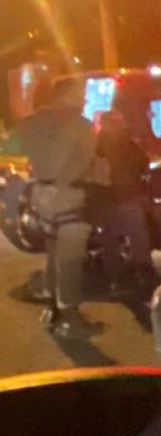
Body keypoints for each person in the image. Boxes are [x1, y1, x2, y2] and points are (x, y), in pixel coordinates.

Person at [16, 79, 104, 338]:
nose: (84, 100)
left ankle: (52, 309)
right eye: (81, 95)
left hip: (40, 195)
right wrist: (65, 184)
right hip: (68, 196)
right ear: (67, 95)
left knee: (53, 254)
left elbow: (12, 151)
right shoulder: (82, 126)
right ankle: (70, 319)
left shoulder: (30, 124)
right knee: (70, 261)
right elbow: (84, 162)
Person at [96, 109, 153, 297]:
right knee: (136, 237)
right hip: (125, 197)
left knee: (111, 240)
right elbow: (144, 164)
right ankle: (142, 275)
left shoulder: (97, 145)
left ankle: (118, 279)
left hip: (110, 198)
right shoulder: (127, 143)